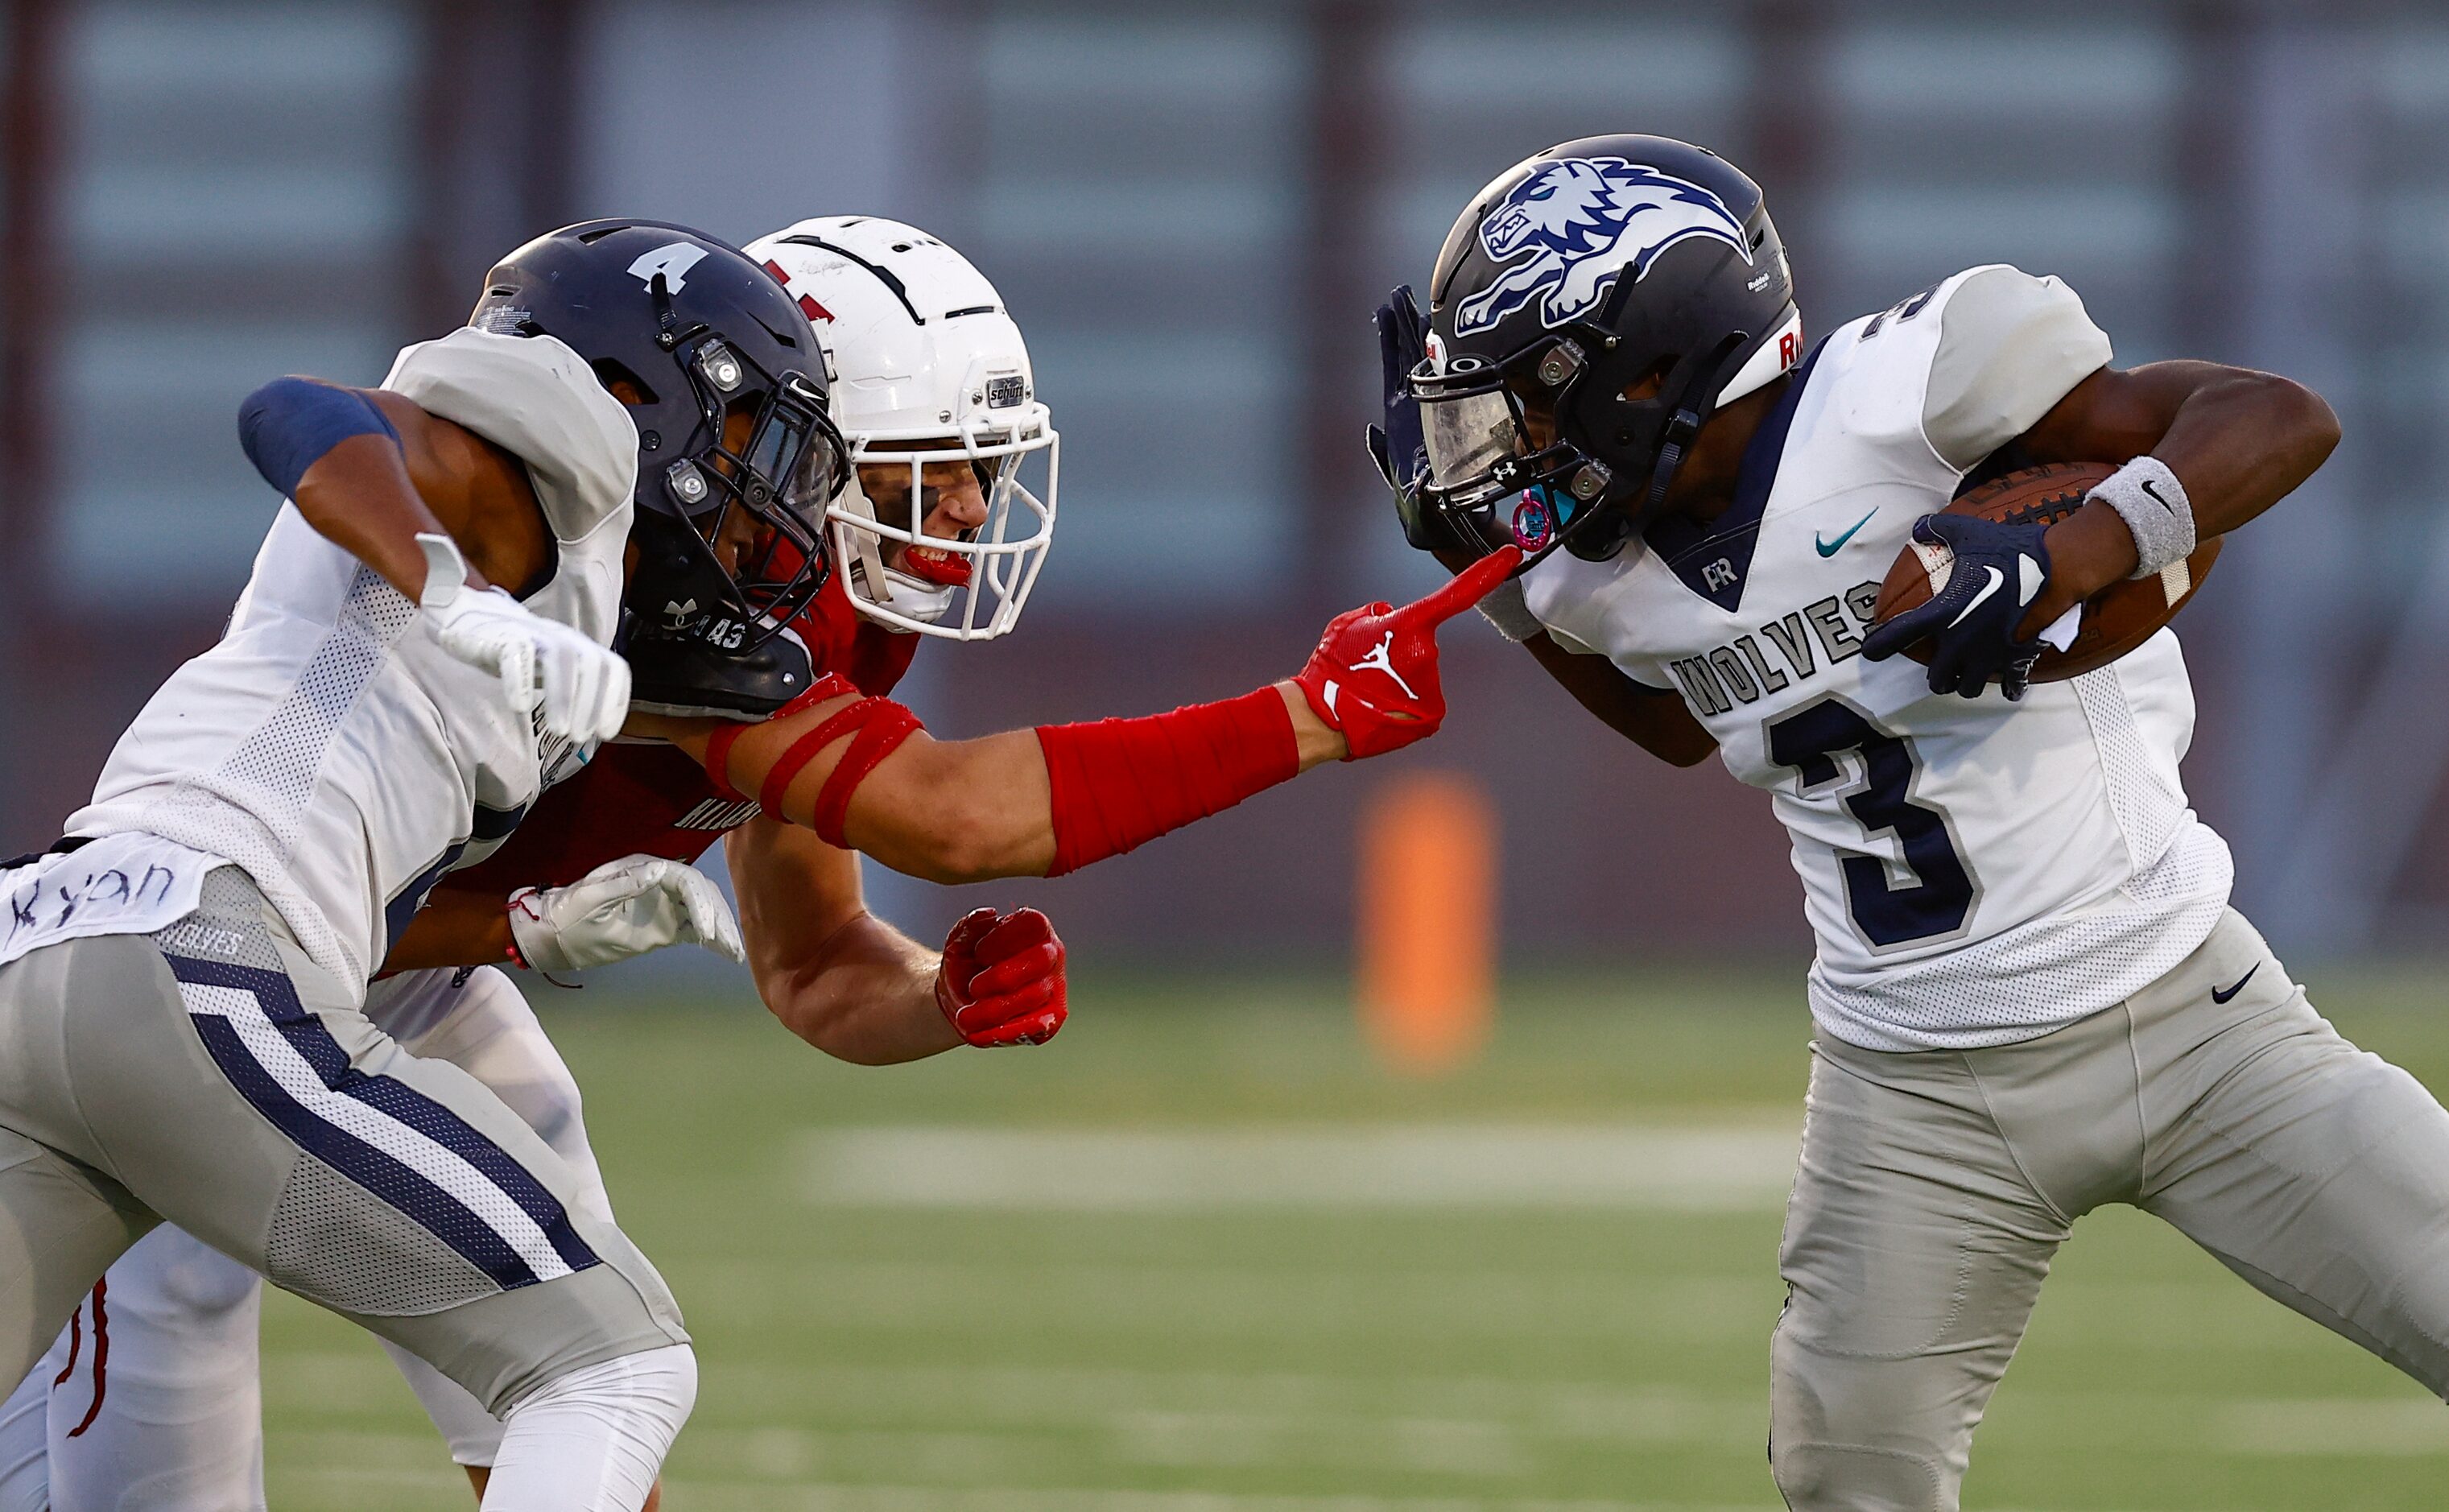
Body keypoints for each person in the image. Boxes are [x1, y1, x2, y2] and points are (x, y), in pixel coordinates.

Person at [1, 211, 1510, 1509]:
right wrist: (1301, 717)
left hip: (262, 948)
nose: (969, 513)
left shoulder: (757, 609)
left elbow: (809, 955)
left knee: (555, 1261)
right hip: (218, 954)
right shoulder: (576, 494)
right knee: (515, 1341)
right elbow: (951, 814)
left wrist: (929, 994)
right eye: (924, 473)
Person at [1380, 133, 2449, 1511]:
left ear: (1657, 368)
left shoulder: (1917, 386)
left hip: (2197, 1022)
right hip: (1912, 1087)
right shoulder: (1593, 573)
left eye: (1537, 400)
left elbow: (2277, 417)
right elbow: (1677, 717)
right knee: (1846, 1479)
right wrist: (1508, 588)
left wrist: (2069, 549)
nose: (1511, 447)